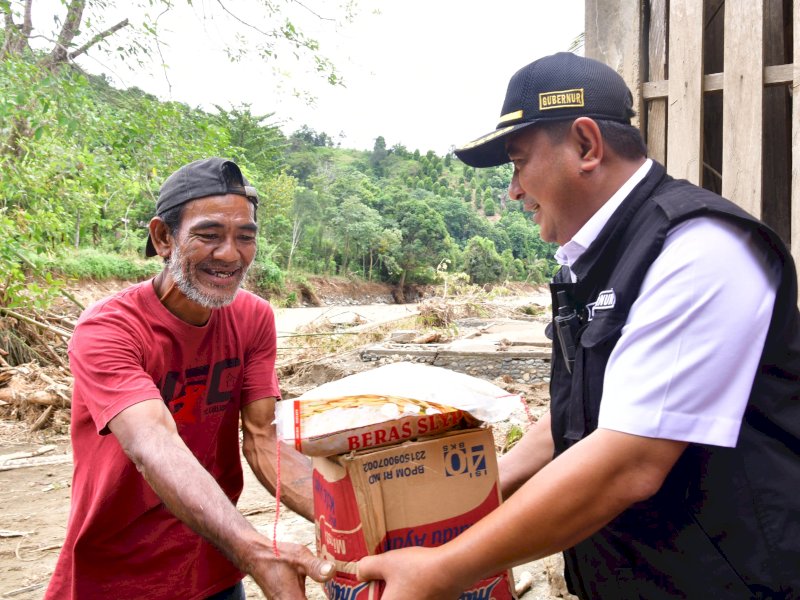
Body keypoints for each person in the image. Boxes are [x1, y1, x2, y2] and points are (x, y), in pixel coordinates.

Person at [358, 52, 800, 599]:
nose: (514, 190)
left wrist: (445, 567)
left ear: (586, 146)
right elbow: (581, 417)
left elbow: (627, 462)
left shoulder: (699, 247)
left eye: (518, 163)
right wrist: (467, 500)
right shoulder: (591, 261)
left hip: (725, 581)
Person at [45, 158, 333, 599]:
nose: (230, 255)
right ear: (163, 237)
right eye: (209, 235)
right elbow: (152, 442)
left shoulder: (254, 318)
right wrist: (258, 551)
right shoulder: (109, 329)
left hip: (216, 564)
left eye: (245, 237)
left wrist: (350, 520)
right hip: (118, 577)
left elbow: (261, 438)